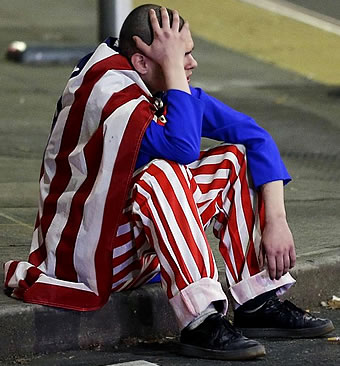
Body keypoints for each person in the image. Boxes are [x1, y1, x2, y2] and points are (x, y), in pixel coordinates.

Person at [4, 4, 334, 361]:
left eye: (189, 53)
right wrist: (175, 73)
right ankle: (200, 320)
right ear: (142, 62)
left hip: (129, 248)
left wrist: (277, 222)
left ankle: (256, 300)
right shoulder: (111, 96)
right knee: (163, 173)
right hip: (85, 257)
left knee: (233, 158)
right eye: (181, 55)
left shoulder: (157, 85)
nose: (190, 64)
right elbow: (182, 148)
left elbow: (255, 137)